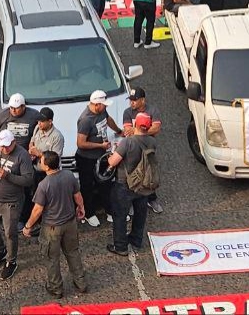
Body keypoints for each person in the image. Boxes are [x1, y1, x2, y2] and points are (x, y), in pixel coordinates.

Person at [22, 150, 87, 298]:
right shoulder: (69, 176)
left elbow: (38, 210)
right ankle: (81, 282)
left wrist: (28, 226)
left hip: (52, 227)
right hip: (70, 223)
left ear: (46, 166)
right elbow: (77, 195)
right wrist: (81, 208)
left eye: (41, 160)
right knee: (73, 253)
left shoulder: (44, 185)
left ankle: (56, 288)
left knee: (52, 258)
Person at [0, 130, 34, 279]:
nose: (3, 149)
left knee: (10, 233)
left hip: (12, 201)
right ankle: (0, 251)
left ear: (14, 143)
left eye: (6, 146)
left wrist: (8, 176)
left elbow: (28, 180)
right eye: (1, 146)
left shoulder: (22, 155)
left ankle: (11, 261)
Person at [106, 112, 157, 255]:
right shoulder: (152, 142)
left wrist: (113, 153)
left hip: (125, 184)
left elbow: (113, 161)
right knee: (140, 213)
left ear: (135, 125)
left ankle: (120, 247)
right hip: (144, 183)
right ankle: (136, 240)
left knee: (120, 215)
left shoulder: (128, 142)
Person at [76, 91, 118, 227]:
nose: (106, 107)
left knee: (105, 183)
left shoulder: (101, 112)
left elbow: (108, 119)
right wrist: (100, 145)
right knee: (87, 186)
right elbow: (81, 143)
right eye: (104, 105)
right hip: (86, 159)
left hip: (101, 156)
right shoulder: (85, 120)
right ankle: (89, 213)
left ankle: (110, 210)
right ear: (96, 104)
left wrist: (118, 130)